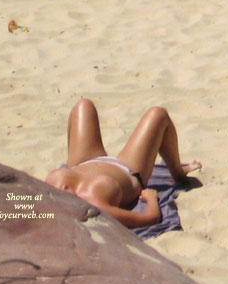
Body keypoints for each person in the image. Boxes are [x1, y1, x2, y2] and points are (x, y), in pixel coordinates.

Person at [45, 98, 201, 228]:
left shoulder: (52, 190)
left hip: (83, 162)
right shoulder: (96, 207)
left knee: (83, 105)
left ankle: (178, 170)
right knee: (158, 114)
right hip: (127, 169)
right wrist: (151, 198)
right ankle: (178, 174)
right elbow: (150, 218)